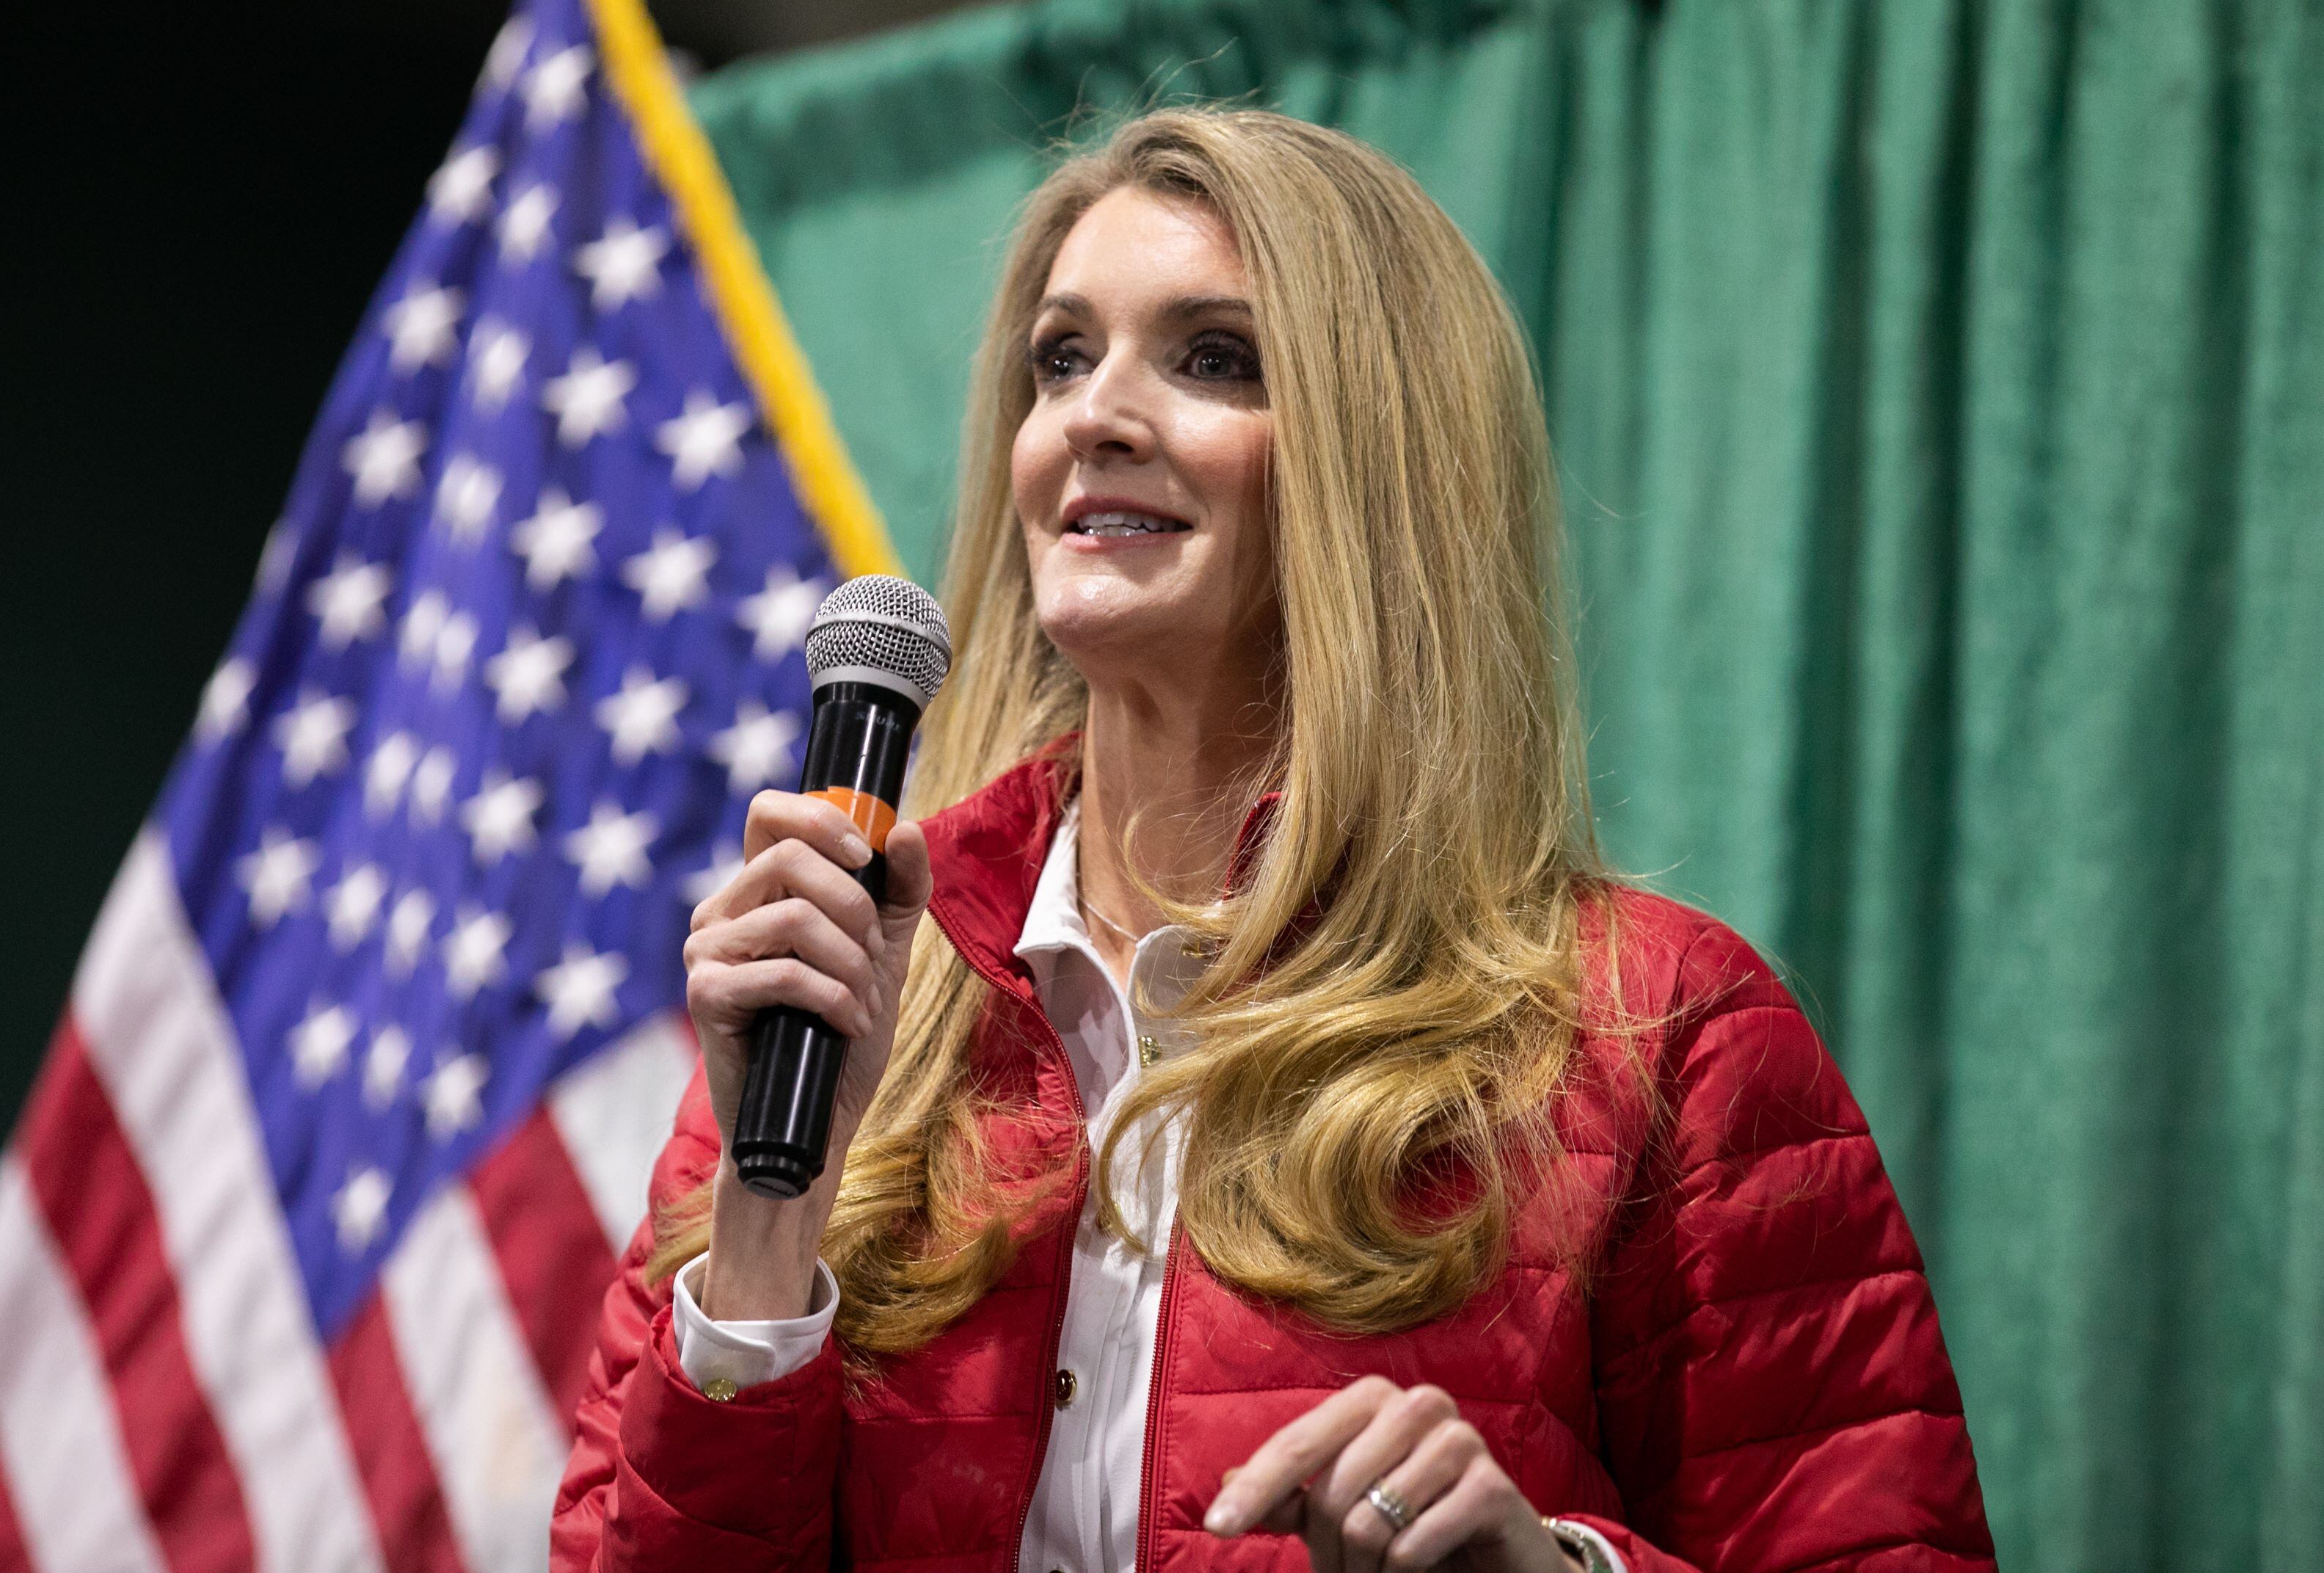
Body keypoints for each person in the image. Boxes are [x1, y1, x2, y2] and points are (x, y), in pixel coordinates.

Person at [547, 109, 1996, 1573]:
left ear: (1383, 460)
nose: (1093, 416)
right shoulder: (850, 999)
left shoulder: (1660, 1039)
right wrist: (765, 1229)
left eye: (1212, 357)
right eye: (1062, 357)